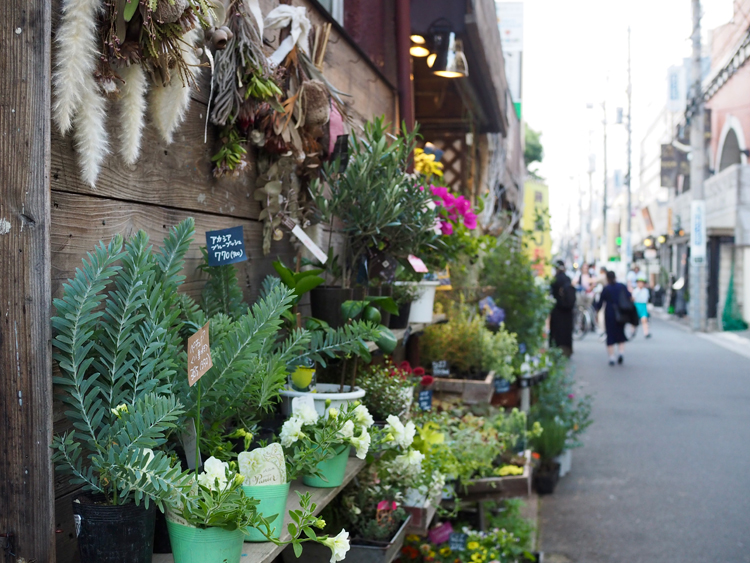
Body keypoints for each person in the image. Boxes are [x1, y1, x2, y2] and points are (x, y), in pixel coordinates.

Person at [595, 270, 632, 366]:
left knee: (610, 335)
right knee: (620, 334)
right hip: (621, 313)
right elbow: (630, 297)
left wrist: (597, 313)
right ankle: (621, 353)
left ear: (607, 278)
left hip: (610, 313)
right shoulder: (622, 286)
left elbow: (600, 303)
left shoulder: (606, 288)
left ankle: (611, 357)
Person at [550, 260, 575, 357]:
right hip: (568, 311)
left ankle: (556, 350)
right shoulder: (568, 279)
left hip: (557, 309)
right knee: (567, 332)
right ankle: (567, 350)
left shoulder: (555, 280)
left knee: (557, 331)